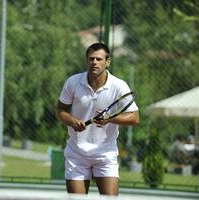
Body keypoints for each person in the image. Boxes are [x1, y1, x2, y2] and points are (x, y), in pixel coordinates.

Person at [56, 42, 139, 196]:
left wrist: (110, 119)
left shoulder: (119, 86)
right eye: (91, 59)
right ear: (86, 61)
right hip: (76, 154)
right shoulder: (73, 82)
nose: (94, 62)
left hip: (105, 154)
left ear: (108, 62)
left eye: (99, 59)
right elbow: (60, 110)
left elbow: (134, 118)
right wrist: (71, 120)